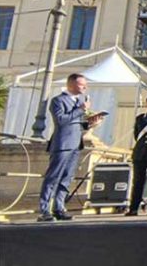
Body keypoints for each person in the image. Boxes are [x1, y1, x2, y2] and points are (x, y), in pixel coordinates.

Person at [38, 73, 95, 221]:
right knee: (53, 177)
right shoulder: (58, 100)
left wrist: (91, 123)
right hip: (63, 144)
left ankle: (59, 207)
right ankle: (44, 210)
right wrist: (81, 110)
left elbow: (78, 124)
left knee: (66, 178)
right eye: (82, 84)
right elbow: (61, 120)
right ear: (71, 85)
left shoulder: (79, 101)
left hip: (76, 144)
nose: (85, 87)